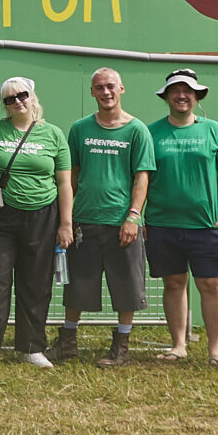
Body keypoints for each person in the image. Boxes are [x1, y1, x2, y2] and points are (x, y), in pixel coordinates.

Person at [0, 76, 71, 368]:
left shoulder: (53, 134)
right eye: (9, 99)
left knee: (36, 283)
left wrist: (65, 223)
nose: (17, 102)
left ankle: (31, 347)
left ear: (32, 96)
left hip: (42, 215)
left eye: (22, 95)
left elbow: (64, 183)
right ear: (4, 104)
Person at [60, 66, 154, 366]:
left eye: (111, 86)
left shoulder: (137, 130)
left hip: (121, 223)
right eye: (99, 87)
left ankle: (121, 347)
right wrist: (68, 217)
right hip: (84, 220)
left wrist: (133, 217)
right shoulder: (79, 129)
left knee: (126, 287)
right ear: (92, 92)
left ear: (122, 89)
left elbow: (142, 177)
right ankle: (67, 342)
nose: (106, 92)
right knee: (77, 285)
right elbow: (71, 175)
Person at [144, 67, 218, 364]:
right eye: (175, 91)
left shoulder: (213, 130)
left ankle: (215, 350)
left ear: (196, 97)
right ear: (166, 97)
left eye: (188, 92)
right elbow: (142, 177)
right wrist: (139, 216)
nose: (182, 96)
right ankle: (178, 345)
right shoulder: (151, 132)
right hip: (162, 224)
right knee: (173, 284)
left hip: (206, 226)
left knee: (211, 285)